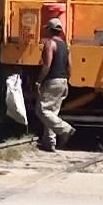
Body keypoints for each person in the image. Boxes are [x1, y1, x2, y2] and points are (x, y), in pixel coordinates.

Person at [35, 18, 74, 152]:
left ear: (49, 30)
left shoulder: (50, 44)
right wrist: (66, 80)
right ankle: (49, 143)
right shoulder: (65, 46)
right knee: (52, 114)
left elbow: (47, 65)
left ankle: (65, 129)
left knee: (41, 110)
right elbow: (70, 67)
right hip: (63, 82)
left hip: (52, 81)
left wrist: (39, 81)